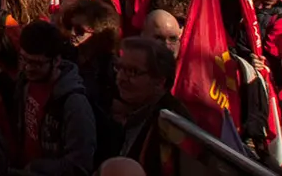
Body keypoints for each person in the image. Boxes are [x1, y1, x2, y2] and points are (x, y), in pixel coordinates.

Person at [14, 21, 97, 176]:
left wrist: (36, 168)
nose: (28, 68)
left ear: (57, 61)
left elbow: (80, 164)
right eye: (24, 59)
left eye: (36, 64)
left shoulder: (74, 104)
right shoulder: (24, 84)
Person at [96, 37, 183, 176]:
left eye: (132, 72)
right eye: (119, 68)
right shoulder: (126, 111)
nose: (121, 78)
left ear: (160, 81)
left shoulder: (171, 127)